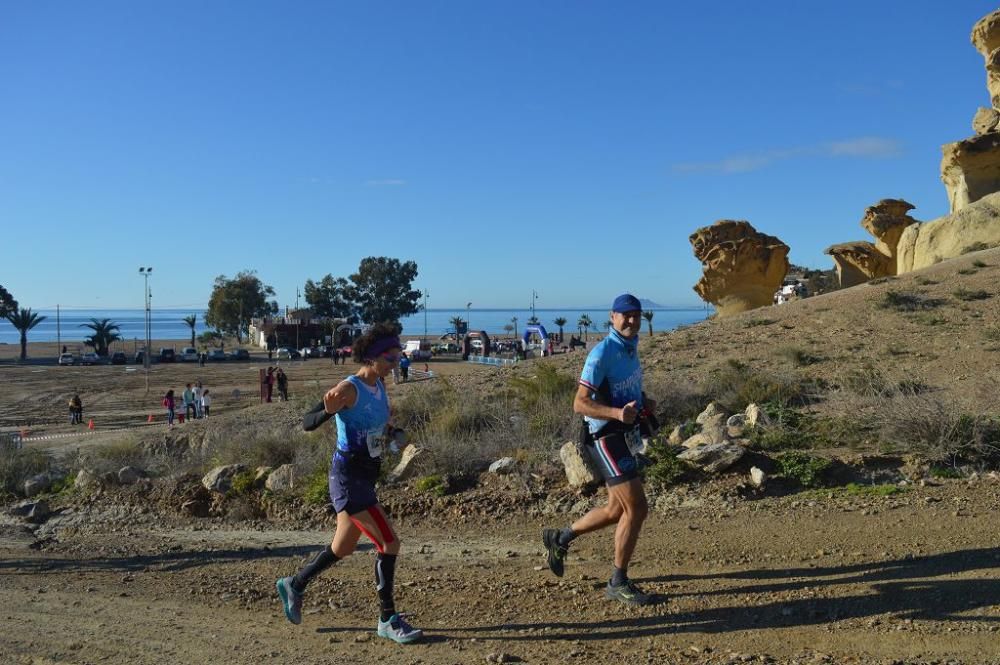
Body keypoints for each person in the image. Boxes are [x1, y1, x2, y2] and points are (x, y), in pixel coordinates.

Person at [275, 323, 422, 644]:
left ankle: (295, 584)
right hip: (348, 478)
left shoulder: (380, 386)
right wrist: (326, 412)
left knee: (342, 547)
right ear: (372, 357)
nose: (396, 362)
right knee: (389, 543)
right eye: (391, 357)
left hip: (366, 477)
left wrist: (392, 433)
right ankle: (388, 619)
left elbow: (375, 426)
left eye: (398, 356)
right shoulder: (348, 389)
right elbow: (307, 422)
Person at [541, 293, 657, 606]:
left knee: (616, 510)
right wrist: (618, 414)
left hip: (623, 435)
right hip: (605, 437)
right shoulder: (602, 352)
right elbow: (579, 403)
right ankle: (617, 582)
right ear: (612, 317)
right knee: (637, 508)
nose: (631, 320)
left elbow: (621, 387)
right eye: (625, 315)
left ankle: (560, 538)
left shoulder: (630, 348)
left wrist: (643, 402)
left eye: (636, 314)